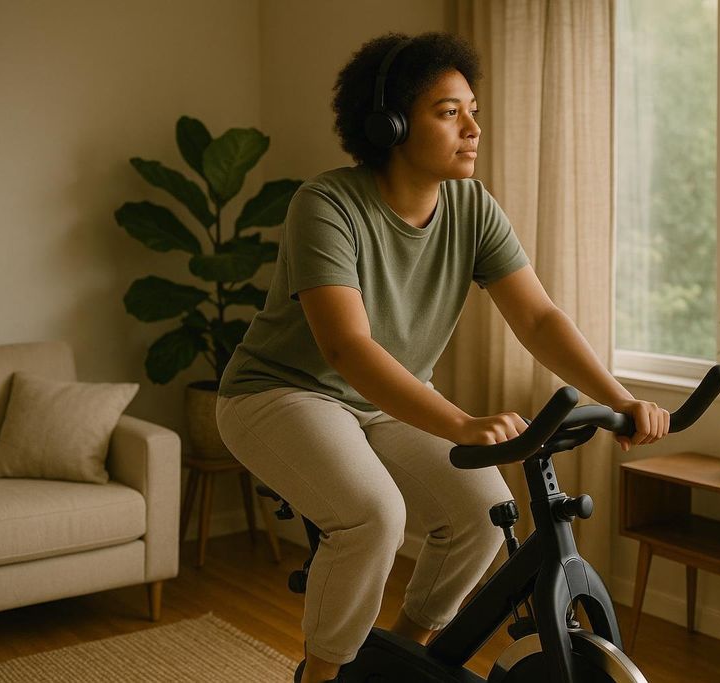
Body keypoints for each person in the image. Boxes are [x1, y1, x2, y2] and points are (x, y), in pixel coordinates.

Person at [215, 31, 670, 683]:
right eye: (449, 111)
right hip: (279, 394)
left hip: (386, 399)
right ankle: (321, 678)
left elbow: (538, 318)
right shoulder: (326, 205)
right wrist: (459, 423)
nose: (474, 127)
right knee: (373, 515)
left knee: (485, 513)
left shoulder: (472, 208)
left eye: (473, 109)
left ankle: (399, 659)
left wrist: (620, 395)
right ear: (390, 124)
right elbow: (347, 348)